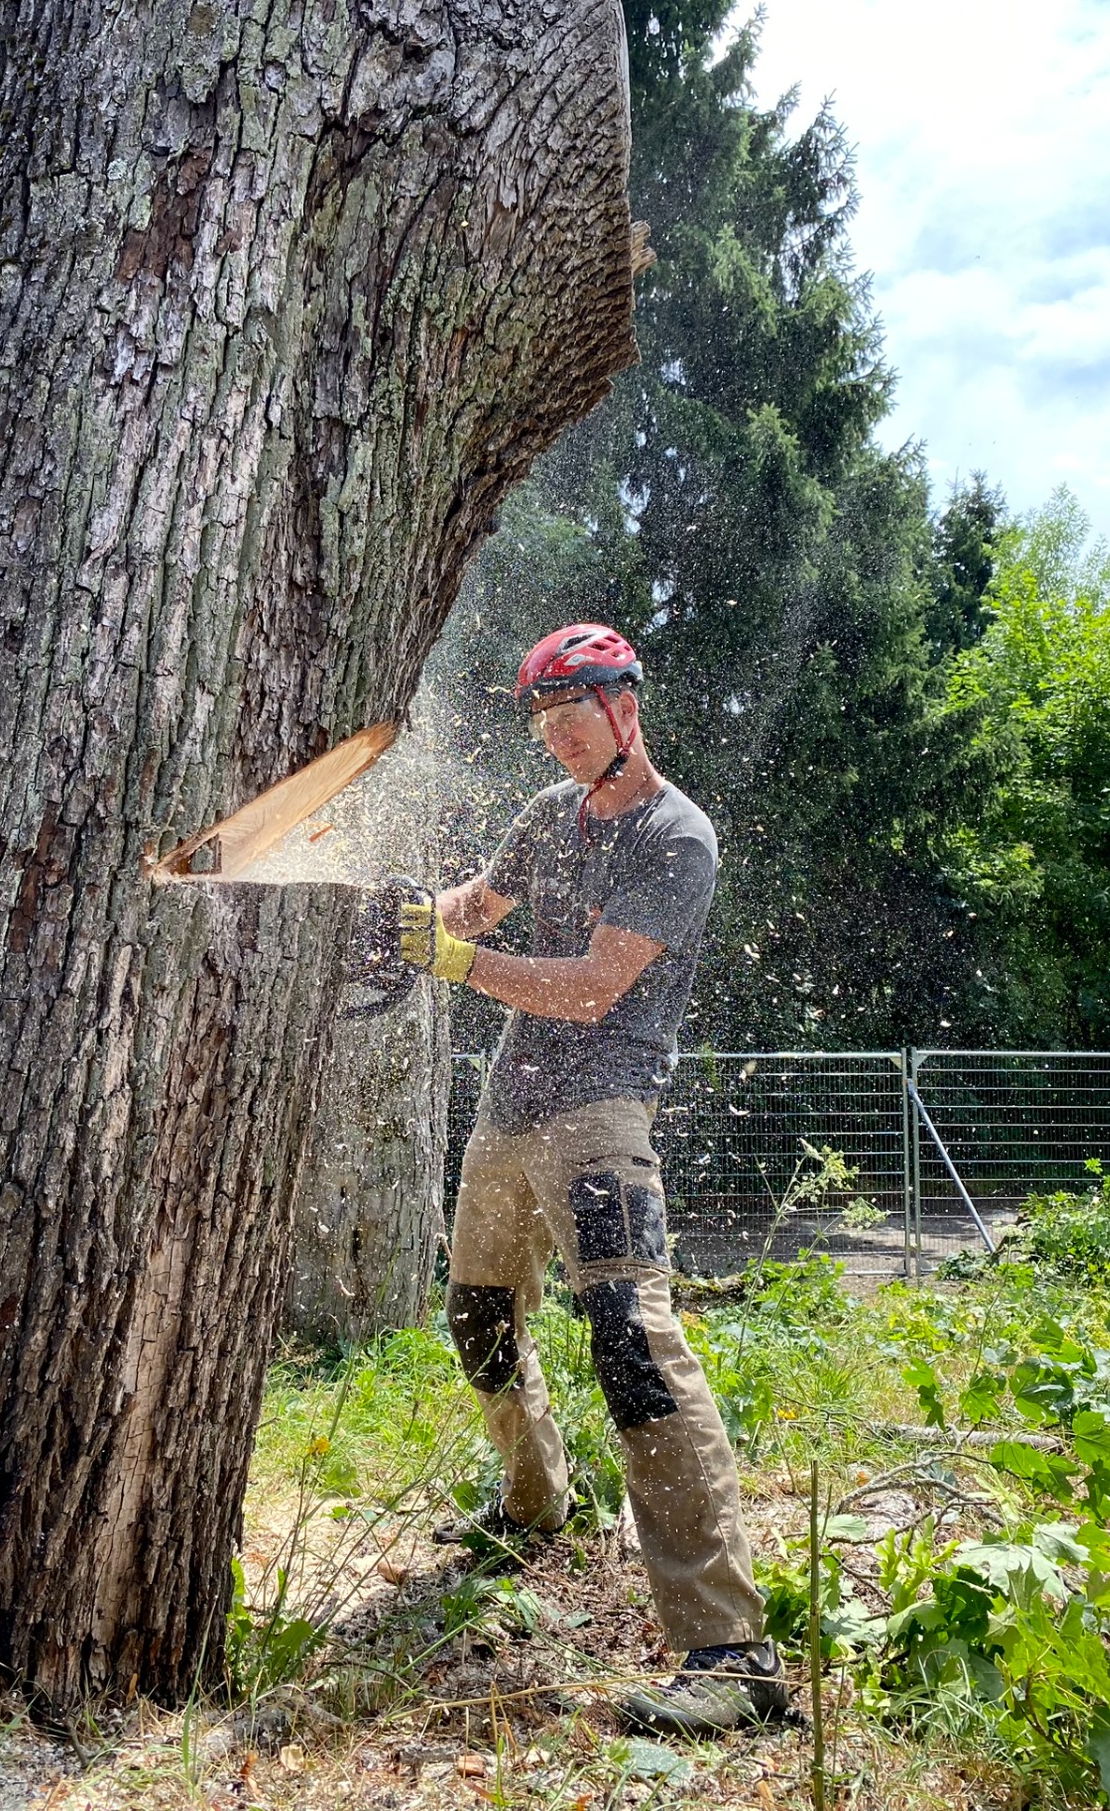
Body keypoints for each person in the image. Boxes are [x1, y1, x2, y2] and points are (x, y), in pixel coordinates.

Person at [397, 622, 787, 1737]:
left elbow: (590, 991)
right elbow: (473, 904)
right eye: (542, 714)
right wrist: (412, 914)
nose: (558, 731)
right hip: (506, 1114)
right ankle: (533, 1502)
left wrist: (457, 961)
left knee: (630, 1339)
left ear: (627, 705)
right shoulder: (543, 817)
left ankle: (731, 1649)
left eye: (578, 707)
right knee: (477, 1318)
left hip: (603, 1111)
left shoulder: (677, 836)